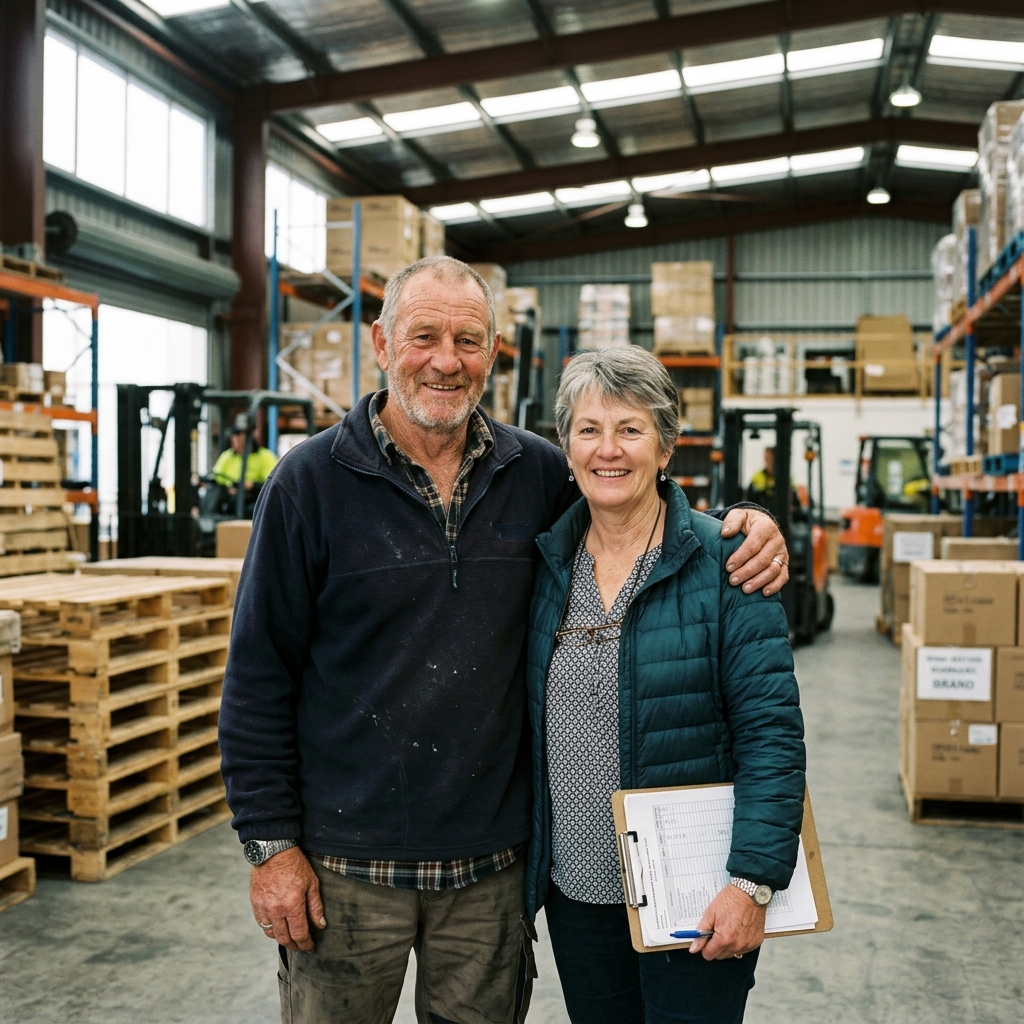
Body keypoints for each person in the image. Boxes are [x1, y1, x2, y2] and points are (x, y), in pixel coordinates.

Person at [218, 256, 791, 1024]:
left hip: (489, 876)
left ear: (494, 353)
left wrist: (745, 524)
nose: (446, 360)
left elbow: (630, 494)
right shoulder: (306, 484)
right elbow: (258, 677)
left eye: (468, 339)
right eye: (424, 336)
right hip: (346, 869)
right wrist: (270, 848)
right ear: (383, 346)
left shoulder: (536, 475)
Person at [524, 346, 805, 1024]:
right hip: (579, 892)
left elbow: (771, 736)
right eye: (588, 430)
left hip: (698, 895)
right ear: (566, 448)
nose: (607, 450)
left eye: (630, 429)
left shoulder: (727, 564)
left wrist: (752, 884)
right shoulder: (542, 566)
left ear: (666, 446)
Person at [211, 422, 278, 495]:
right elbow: (217, 476)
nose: (236, 439)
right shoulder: (227, 455)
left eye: (241, 435)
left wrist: (252, 485)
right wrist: (228, 489)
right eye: (235, 436)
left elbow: (273, 482)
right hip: (230, 496)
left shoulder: (265, 456)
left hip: (253, 497)